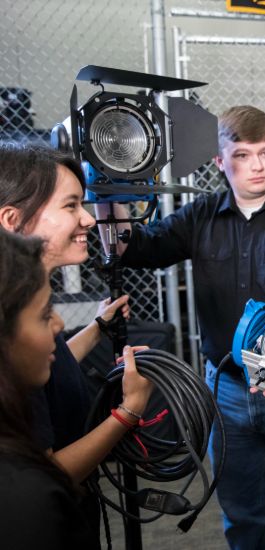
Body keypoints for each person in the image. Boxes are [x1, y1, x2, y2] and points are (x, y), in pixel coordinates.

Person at [97, 105, 265, 549]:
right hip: (226, 392)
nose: (257, 165)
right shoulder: (200, 217)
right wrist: (108, 192)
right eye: (243, 155)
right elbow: (138, 250)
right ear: (219, 161)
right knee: (241, 515)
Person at [0, 145, 153, 548]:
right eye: (71, 206)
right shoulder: (9, 338)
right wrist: (127, 413)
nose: (87, 218)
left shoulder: (21, 325)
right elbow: (49, 472)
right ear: (12, 220)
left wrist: (98, 329)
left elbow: (50, 364)